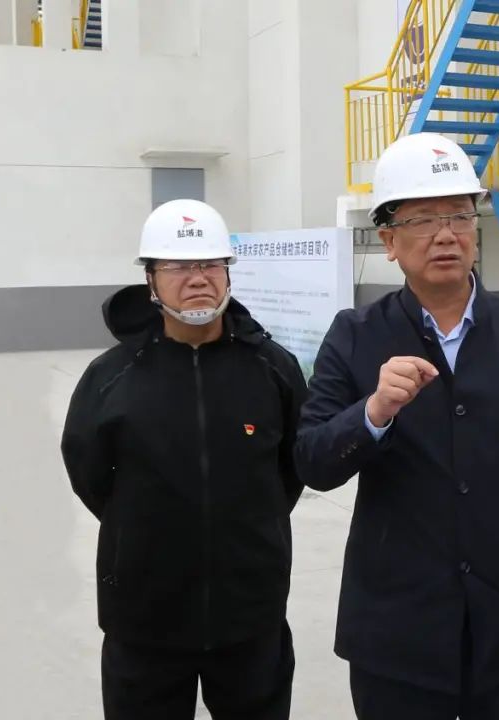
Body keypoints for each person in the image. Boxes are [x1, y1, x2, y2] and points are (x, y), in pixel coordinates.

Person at [294, 132, 499, 720]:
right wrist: (372, 413)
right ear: (388, 241)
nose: (445, 234)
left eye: (459, 215)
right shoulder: (355, 335)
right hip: (397, 631)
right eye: (422, 220)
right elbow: (312, 460)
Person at [61, 199, 307, 719]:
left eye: (210, 264)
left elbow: (291, 470)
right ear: (150, 280)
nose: (197, 278)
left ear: (228, 273)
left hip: (251, 617)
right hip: (143, 619)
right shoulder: (111, 377)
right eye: (177, 266)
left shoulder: (272, 368)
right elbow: (89, 474)